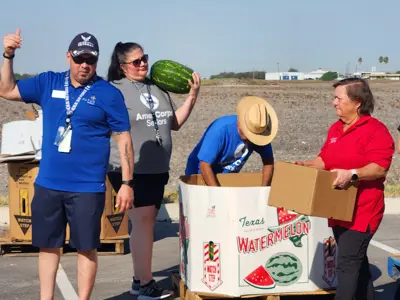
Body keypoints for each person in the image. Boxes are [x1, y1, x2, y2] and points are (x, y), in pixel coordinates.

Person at [1, 29, 134, 300]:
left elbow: (124, 140)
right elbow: (7, 90)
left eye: (91, 60)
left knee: (86, 247)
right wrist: (8, 55)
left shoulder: (108, 94)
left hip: (87, 186)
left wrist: (127, 184)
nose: (84, 64)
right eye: (79, 58)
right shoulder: (48, 82)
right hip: (49, 183)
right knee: (48, 247)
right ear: (68, 56)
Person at [106, 41, 201, 299]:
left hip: (157, 168)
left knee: (143, 223)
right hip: (130, 168)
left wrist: (192, 97)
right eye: (136, 61)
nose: (143, 64)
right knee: (144, 221)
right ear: (123, 66)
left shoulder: (157, 88)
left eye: (144, 58)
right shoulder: (114, 90)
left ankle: (139, 279)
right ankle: (147, 284)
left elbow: (175, 124)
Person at [294, 78, 395, 300]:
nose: (334, 103)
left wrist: (352, 173)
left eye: (339, 98)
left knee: (347, 266)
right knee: (357, 262)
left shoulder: (376, 130)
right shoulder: (336, 128)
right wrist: (306, 165)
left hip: (363, 211)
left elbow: (379, 168)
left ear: (357, 102)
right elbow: (325, 158)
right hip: (339, 209)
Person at [185, 96, 277, 186]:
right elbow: (204, 165)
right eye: (249, 134)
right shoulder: (220, 130)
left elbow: (268, 162)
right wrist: (217, 193)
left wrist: (264, 191)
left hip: (227, 177)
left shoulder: (259, 129)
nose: (251, 140)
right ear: (240, 124)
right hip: (200, 173)